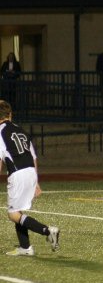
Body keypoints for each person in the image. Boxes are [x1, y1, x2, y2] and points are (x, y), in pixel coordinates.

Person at [0, 100, 60, 256]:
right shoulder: (21, 130)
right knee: (18, 211)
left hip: (18, 174)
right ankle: (25, 248)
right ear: (10, 115)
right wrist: (36, 182)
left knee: (13, 215)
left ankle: (47, 231)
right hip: (31, 171)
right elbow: (33, 156)